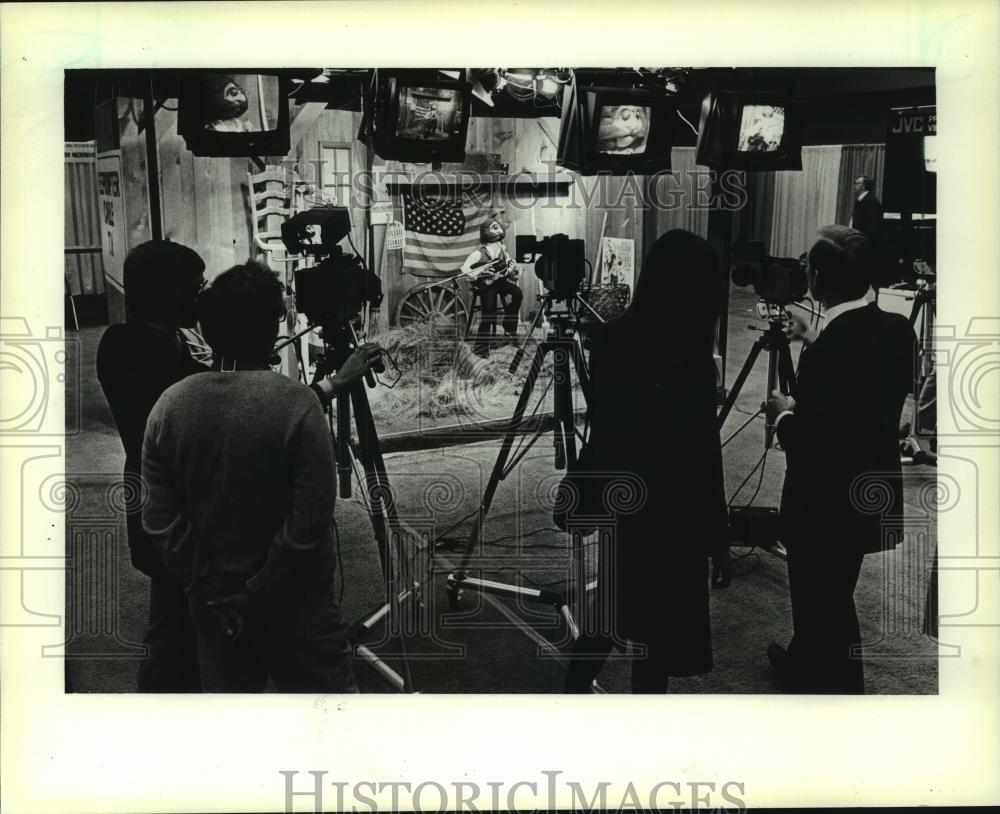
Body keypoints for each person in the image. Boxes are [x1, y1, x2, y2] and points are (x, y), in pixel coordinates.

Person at [141, 261, 381, 692]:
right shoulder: (296, 405)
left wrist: (211, 587)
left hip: (216, 612)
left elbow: (159, 519)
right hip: (298, 612)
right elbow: (308, 525)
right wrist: (258, 590)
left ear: (208, 324)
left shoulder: (169, 406)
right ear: (273, 328)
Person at [563, 229, 732, 694]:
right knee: (655, 639)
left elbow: (607, 429)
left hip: (624, 502)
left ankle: (568, 700)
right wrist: (718, 538)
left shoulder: (611, 341)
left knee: (610, 613)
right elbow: (703, 454)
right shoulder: (694, 361)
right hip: (674, 514)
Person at [766, 225, 918, 694]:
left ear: (817, 279)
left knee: (820, 601)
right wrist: (814, 336)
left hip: (822, 501)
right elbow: (863, 393)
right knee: (835, 590)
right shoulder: (895, 328)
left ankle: (839, 691)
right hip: (867, 491)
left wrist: (782, 416)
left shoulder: (829, 352)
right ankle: (803, 660)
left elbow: (811, 438)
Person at [97, 240, 210, 692]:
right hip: (169, 503)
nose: (200, 298)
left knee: (173, 618)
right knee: (175, 631)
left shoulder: (142, 339)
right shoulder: (148, 348)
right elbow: (185, 426)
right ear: (167, 292)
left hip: (151, 495)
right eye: (194, 288)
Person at [460, 218, 523, 357]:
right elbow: (465, 269)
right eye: (496, 241)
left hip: (500, 282)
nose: (498, 243)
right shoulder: (479, 253)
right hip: (486, 285)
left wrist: (514, 270)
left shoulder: (503, 252)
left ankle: (509, 328)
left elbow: (511, 273)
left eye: (499, 241)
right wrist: (481, 272)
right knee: (489, 309)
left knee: (517, 293)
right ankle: (481, 348)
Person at [850, 175, 883, 239]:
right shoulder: (859, 200)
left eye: (856, 183)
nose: (854, 186)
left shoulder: (871, 201)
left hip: (865, 240)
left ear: (863, 185)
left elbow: (872, 226)